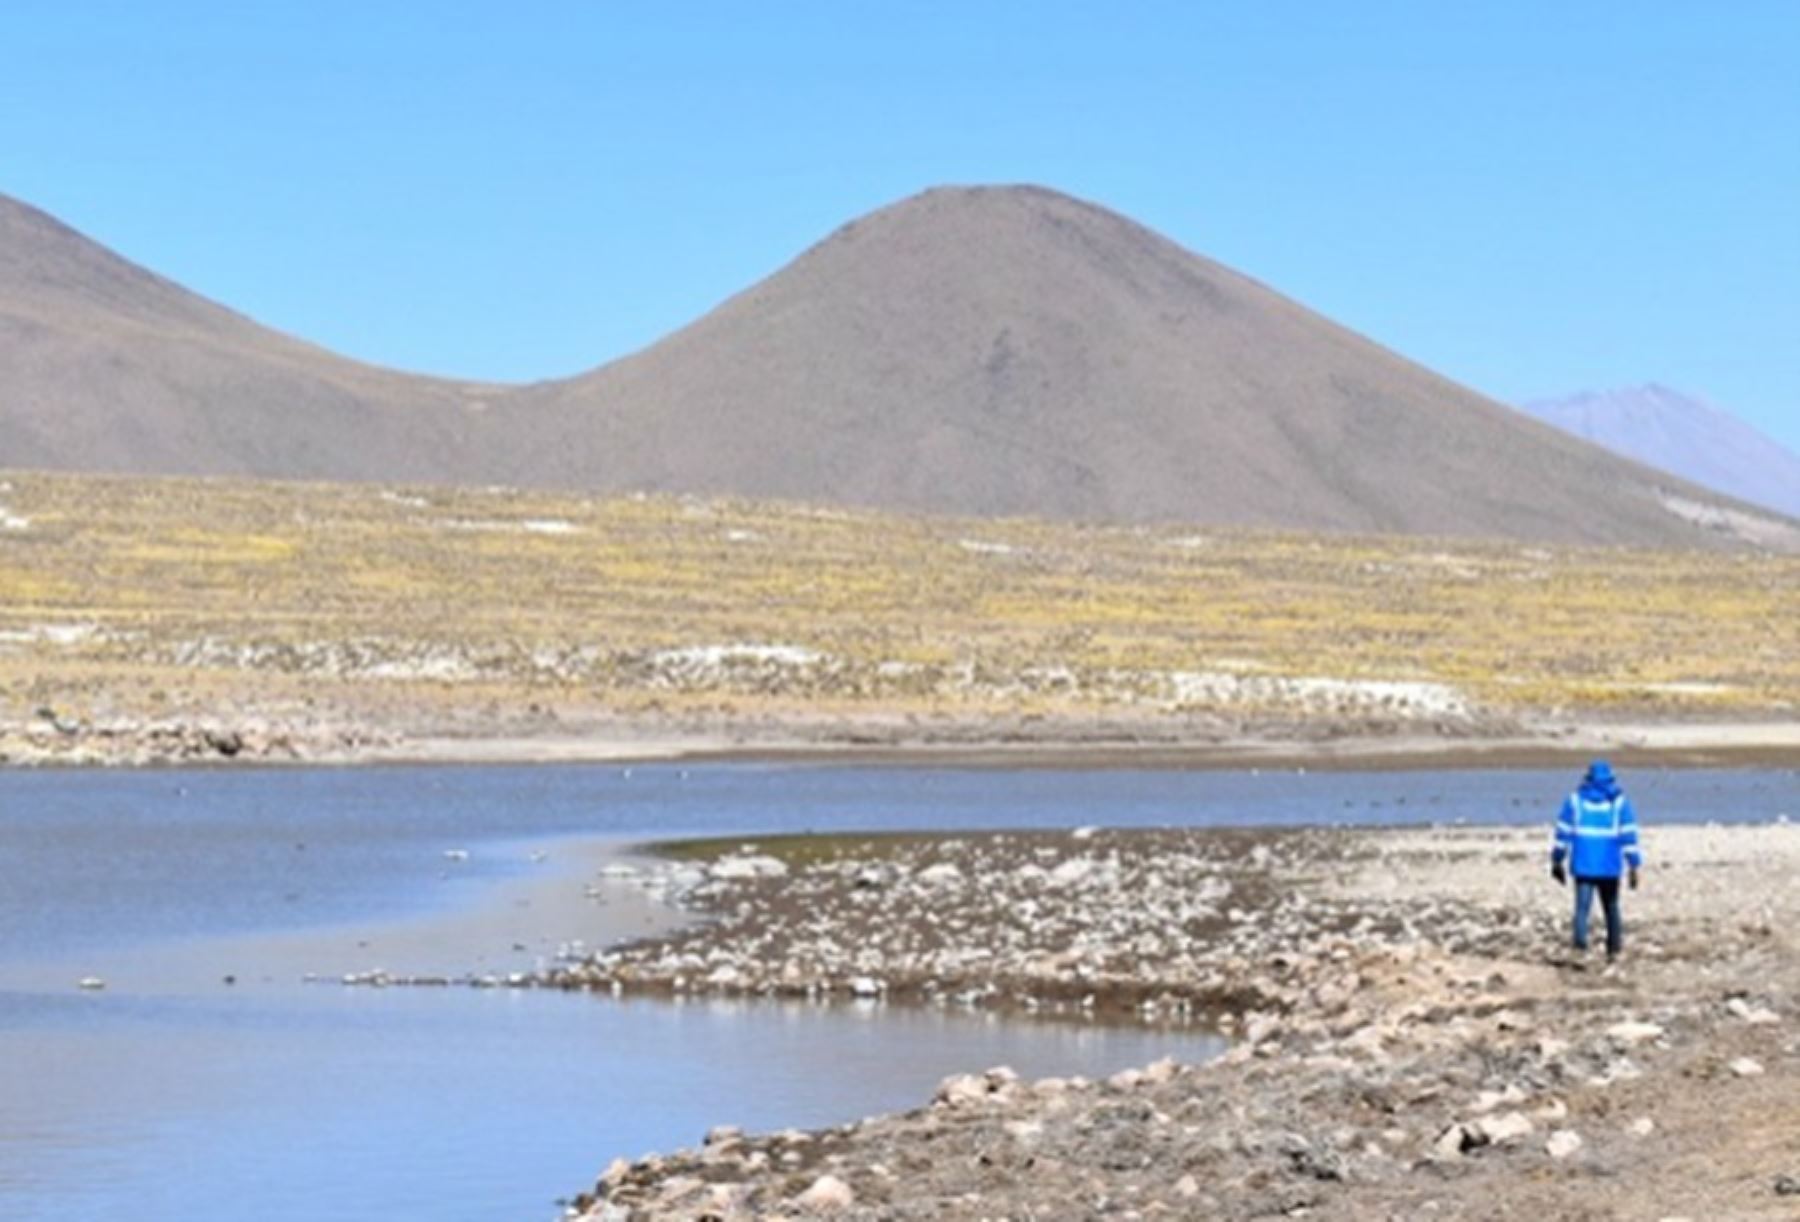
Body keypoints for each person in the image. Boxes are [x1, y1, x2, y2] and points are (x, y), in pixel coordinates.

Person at [1550, 759, 1643, 961]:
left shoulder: (1575, 801)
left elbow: (1562, 834)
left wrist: (1557, 860)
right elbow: (1628, 835)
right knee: (1611, 907)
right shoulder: (1619, 803)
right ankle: (1614, 948)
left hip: (1583, 864)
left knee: (1582, 909)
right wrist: (1634, 865)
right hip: (1609, 865)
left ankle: (1580, 947)